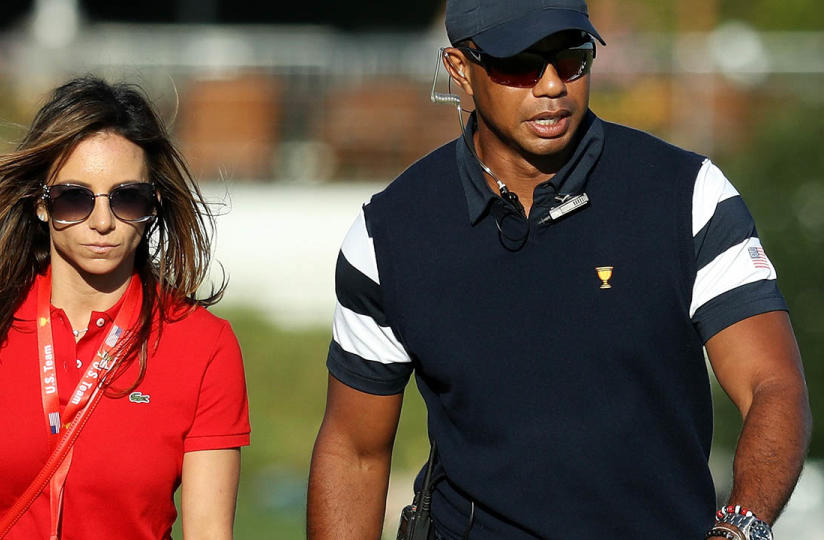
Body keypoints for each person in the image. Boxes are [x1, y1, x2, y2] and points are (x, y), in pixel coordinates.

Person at [307, 1, 810, 539]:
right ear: (459, 70)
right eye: (520, 63)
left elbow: (772, 386)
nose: (552, 85)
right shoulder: (388, 234)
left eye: (572, 58)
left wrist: (739, 527)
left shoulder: (689, 196)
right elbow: (354, 452)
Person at [0, 76, 250, 540]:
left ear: (153, 204)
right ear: (41, 205)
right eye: (74, 197)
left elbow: (208, 533)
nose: (102, 222)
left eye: (128, 197)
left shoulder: (204, 345)